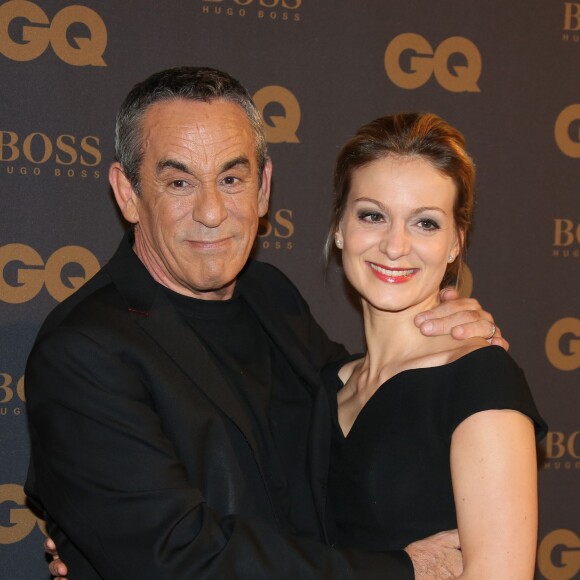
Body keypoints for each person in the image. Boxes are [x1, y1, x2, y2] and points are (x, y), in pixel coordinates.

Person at [25, 67, 503, 579]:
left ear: (263, 187)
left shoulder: (269, 295)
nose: (211, 212)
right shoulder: (85, 350)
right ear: (127, 192)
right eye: (179, 181)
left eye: (231, 179)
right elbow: (176, 559)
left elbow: (363, 410)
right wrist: (403, 571)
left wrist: (447, 343)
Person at [324, 112, 547, 578]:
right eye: (372, 215)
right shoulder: (323, 384)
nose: (395, 245)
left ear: (454, 244)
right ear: (341, 227)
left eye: (424, 223)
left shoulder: (480, 379)